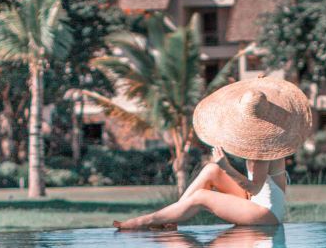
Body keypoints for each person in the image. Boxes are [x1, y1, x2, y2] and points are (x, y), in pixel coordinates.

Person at [113, 76, 312, 230]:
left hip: (266, 214)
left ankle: (147, 220)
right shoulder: (261, 140)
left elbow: (254, 188)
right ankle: (171, 218)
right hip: (255, 204)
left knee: (202, 197)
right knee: (210, 170)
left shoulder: (264, 146)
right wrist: (219, 168)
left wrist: (225, 166)